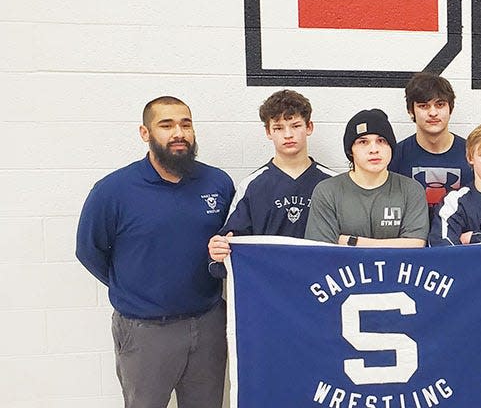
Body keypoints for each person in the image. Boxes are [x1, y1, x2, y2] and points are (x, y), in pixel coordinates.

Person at [75, 96, 234, 408]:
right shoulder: (114, 190)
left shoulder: (217, 183)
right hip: (145, 331)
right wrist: (135, 288)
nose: (178, 132)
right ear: (145, 133)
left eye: (185, 124)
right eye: (166, 125)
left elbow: (233, 241)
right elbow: (89, 251)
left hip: (208, 324)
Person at [206, 90, 334, 275]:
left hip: (322, 289)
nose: (288, 134)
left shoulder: (332, 183)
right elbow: (228, 244)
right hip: (268, 293)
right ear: (268, 132)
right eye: (278, 128)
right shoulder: (252, 185)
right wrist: (218, 250)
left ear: (309, 127)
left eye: (295, 125)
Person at [305, 108, 429, 247]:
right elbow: (322, 251)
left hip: (396, 269)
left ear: (391, 147)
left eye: (381, 141)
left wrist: (352, 241)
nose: (374, 149)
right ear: (350, 150)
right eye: (363, 142)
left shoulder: (411, 190)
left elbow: (415, 246)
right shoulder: (327, 191)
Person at [389, 72, 473, 220]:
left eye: (440, 104)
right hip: (410, 239)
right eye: (424, 106)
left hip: (458, 240)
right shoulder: (394, 156)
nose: (433, 112)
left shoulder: (473, 154)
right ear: (411, 111)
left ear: (450, 109)